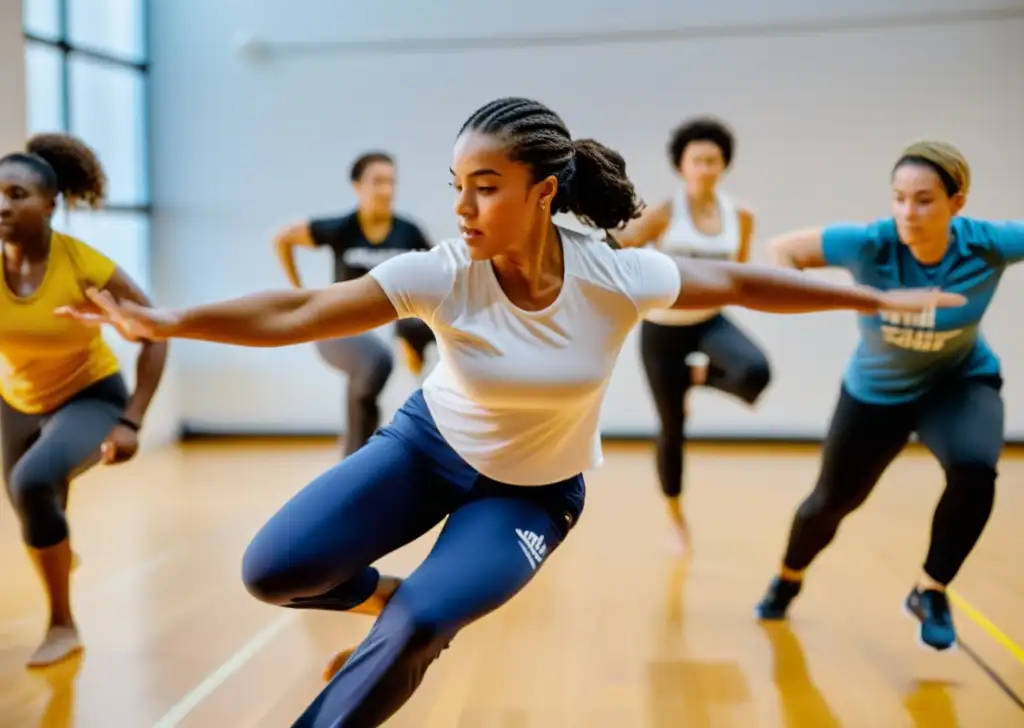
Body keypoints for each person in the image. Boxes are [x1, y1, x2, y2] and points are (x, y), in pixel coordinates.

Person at [60, 99, 963, 727]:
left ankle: (404, 625)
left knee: (416, 634)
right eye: (455, 183)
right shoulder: (443, 267)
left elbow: (738, 281)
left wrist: (869, 300)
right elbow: (298, 312)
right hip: (425, 448)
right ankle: (403, 593)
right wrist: (167, 318)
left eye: (483, 185)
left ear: (543, 191)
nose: (462, 206)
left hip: (530, 495)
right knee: (273, 570)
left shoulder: (613, 273)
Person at [754, 141, 1023, 652]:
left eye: (923, 200)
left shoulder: (987, 244)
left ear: (956, 202)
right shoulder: (870, 244)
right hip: (875, 393)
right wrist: (858, 299)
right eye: (898, 198)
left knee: (975, 467)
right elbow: (784, 251)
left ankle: (931, 589)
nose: (907, 212)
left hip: (959, 382)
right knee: (829, 505)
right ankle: (788, 577)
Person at [0, 133, 168, 668]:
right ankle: (59, 549)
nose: (2, 204)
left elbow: (155, 332)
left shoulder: (83, 266)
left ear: (50, 205)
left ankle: (62, 625)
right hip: (15, 400)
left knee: (32, 482)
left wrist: (132, 421)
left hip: (89, 395)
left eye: (16, 194)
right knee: (34, 507)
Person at [615, 117, 771, 554]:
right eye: (696, 160)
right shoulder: (663, 213)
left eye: (712, 160)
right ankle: (676, 517)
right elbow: (617, 248)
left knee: (755, 373)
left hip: (708, 322)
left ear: (724, 165)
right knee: (672, 428)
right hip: (662, 330)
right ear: (681, 166)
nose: (705, 167)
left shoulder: (739, 214)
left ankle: (694, 379)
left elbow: (737, 272)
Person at [273, 151, 436, 457]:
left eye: (391, 182)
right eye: (377, 182)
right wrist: (299, 290)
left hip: (391, 325)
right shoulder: (342, 228)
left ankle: (372, 448)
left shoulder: (409, 232)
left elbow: (441, 273)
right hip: (339, 325)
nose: (386, 190)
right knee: (374, 363)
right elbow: (283, 238)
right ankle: (355, 456)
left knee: (406, 339)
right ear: (358, 186)